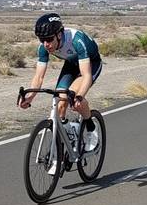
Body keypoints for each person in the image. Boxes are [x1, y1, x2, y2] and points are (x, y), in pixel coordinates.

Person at [18, 13, 102, 168]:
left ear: (59, 34)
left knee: (74, 98)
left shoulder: (77, 40)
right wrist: (29, 98)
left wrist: (79, 97)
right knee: (60, 101)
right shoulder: (44, 47)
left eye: (49, 39)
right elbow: (38, 77)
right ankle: (66, 140)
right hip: (71, 64)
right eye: (42, 40)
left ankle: (90, 127)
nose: (46, 44)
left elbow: (86, 75)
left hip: (91, 64)